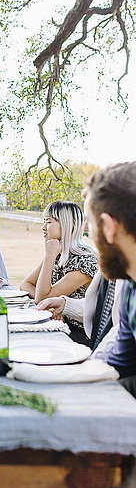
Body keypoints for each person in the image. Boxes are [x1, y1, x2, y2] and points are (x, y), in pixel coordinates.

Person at [83, 162, 136, 397]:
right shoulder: (129, 286)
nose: (87, 231)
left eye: (90, 222)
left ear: (109, 226)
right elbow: (119, 361)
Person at [21, 200, 98, 344]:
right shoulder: (58, 253)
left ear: (66, 224)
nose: (43, 227)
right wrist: (49, 305)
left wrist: (49, 256)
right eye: (44, 221)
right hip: (61, 325)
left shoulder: (84, 261)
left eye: (49, 222)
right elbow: (26, 284)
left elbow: (40, 297)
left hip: (82, 334)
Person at [37, 270, 123, 357]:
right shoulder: (115, 264)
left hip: (115, 356)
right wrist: (64, 304)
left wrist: (96, 359)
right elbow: (102, 307)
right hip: (99, 349)